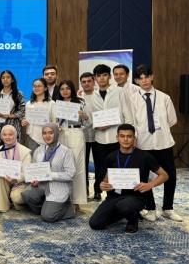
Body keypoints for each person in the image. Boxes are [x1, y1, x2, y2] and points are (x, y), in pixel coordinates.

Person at [89, 124, 169, 233]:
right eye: (122, 136)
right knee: (95, 224)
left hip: (136, 196)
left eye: (129, 136)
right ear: (117, 138)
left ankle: (133, 220)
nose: (125, 139)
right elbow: (106, 179)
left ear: (134, 138)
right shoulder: (111, 157)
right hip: (114, 196)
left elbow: (164, 175)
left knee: (124, 205)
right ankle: (123, 213)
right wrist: (103, 185)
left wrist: (150, 185)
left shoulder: (144, 156)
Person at [127, 64, 181, 222]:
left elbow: (172, 120)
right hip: (143, 144)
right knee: (144, 177)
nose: (144, 80)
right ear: (136, 81)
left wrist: (159, 130)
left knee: (170, 176)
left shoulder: (164, 97)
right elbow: (131, 122)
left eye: (147, 77)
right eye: (140, 78)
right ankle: (150, 208)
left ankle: (168, 208)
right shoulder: (133, 99)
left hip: (163, 142)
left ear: (152, 77)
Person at [87, 64, 132, 201]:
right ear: (95, 78)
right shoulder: (92, 96)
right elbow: (91, 118)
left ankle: (117, 193)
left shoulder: (119, 92)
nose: (101, 78)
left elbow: (127, 114)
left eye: (104, 75)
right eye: (99, 76)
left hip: (116, 138)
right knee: (100, 167)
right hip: (100, 138)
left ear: (110, 77)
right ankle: (97, 191)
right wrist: (96, 125)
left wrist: (127, 135)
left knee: (117, 167)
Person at [21, 124, 77, 223]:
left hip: (58, 187)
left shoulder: (66, 151)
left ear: (56, 133)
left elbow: (70, 174)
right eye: (44, 133)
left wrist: (50, 175)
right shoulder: (38, 150)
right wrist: (34, 179)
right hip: (41, 185)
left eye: (51, 133)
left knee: (48, 217)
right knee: (27, 195)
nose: (47, 136)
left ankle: (67, 208)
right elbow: (34, 169)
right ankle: (45, 207)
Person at [55, 79, 89, 207]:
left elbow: (88, 121)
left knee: (77, 165)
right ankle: (64, 198)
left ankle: (77, 200)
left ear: (72, 89)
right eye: (62, 89)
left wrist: (83, 115)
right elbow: (54, 120)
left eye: (67, 88)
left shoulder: (80, 101)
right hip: (61, 134)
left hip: (76, 133)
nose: (65, 91)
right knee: (62, 166)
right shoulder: (56, 103)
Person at [0, 125, 31, 213]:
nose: (7, 137)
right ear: (1, 137)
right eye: (4, 135)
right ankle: (3, 206)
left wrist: (15, 178)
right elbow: (1, 169)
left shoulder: (25, 151)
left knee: (16, 198)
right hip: (6, 180)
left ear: (16, 135)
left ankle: (17, 202)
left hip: (20, 182)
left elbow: (27, 174)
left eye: (10, 134)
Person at [0, 70, 26, 146]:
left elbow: (22, 111)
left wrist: (8, 116)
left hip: (12, 125)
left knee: (12, 150)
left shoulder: (18, 94)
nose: (5, 79)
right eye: (3, 78)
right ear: (0, 80)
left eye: (8, 77)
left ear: (12, 80)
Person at [21, 77, 54, 148]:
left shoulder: (51, 103)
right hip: (31, 137)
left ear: (45, 88)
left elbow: (54, 122)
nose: (36, 88)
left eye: (39, 86)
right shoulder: (29, 103)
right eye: (34, 86)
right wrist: (24, 122)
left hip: (47, 137)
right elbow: (26, 119)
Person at [79, 72, 96, 193]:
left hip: (98, 135)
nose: (86, 84)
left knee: (99, 164)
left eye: (89, 81)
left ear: (94, 82)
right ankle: (84, 190)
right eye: (83, 82)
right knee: (83, 164)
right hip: (83, 136)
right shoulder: (78, 98)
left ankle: (98, 191)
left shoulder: (100, 96)